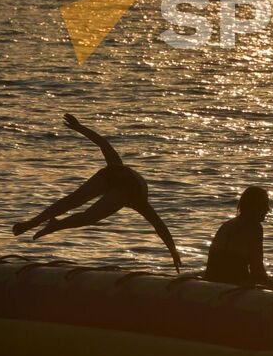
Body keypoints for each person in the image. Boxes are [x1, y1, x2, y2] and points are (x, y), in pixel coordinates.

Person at [12, 114, 183, 272]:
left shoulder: (117, 167)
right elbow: (159, 226)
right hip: (123, 180)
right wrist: (173, 251)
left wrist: (80, 127)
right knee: (88, 216)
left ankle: (33, 223)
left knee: (71, 202)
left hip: (114, 172)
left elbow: (103, 144)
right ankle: (54, 224)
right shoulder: (139, 200)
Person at [201, 186, 273, 292]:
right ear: (253, 206)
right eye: (264, 205)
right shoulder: (254, 227)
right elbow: (257, 269)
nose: (267, 209)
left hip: (213, 279)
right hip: (233, 283)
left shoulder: (229, 224)